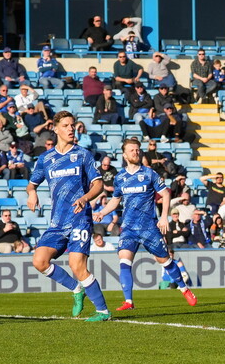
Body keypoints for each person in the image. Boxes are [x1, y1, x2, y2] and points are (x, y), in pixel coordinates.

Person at [92, 138, 196, 310]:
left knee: (166, 261)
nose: (136, 152)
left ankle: (184, 289)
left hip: (148, 227)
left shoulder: (149, 174)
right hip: (129, 228)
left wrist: (164, 217)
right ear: (124, 155)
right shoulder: (120, 178)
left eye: (137, 149)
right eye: (132, 150)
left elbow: (166, 194)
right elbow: (116, 200)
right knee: (124, 261)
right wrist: (102, 212)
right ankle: (128, 302)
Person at [27, 111, 111, 322]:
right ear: (55, 129)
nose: (71, 129)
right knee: (39, 261)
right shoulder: (46, 159)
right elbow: (32, 184)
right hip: (57, 222)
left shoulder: (83, 154)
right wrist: (32, 193)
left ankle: (103, 311)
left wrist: (85, 198)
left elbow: (98, 184)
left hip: (79, 218)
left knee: (77, 265)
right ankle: (76, 289)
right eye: (66, 125)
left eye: (73, 125)